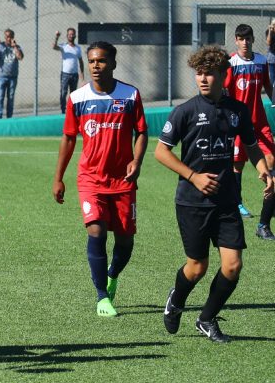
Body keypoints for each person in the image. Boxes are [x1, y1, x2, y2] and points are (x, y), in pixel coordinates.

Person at [156, 45, 273, 343]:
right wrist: (193, 176)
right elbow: (161, 152)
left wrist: (262, 167)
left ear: (224, 75)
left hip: (225, 201)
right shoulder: (185, 111)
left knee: (232, 266)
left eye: (210, 73)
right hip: (192, 201)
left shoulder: (237, 111)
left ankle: (206, 319)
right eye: (199, 73)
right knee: (197, 267)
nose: (203, 79)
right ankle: (177, 300)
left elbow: (250, 143)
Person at [52, 41, 148, 317]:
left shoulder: (130, 95)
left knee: (125, 242)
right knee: (96, 231)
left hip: (123, 181)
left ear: (113, 64)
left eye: (102, 61)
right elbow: (69, 138)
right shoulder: (77, 98)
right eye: (92, 61)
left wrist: (136, 161)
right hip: (90, 179)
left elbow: (142, 132)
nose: (96, 66)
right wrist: (58, 178)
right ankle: (102, 297)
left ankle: (112, 274)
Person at [224, 24, 275, 239]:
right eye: (240, 38)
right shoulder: (231, 62)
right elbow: (226, 90)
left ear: (253, 39)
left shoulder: (261, 61)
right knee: (238, 165)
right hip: (238, 123)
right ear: (236, 41)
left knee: (271, 159)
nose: (245, 42)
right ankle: (238, 203)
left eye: (248, 38)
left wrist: (274, 102)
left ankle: (268, 204)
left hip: (259, 123)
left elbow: (268, 86)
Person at [0, 29, 23, 119]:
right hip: (2, 76)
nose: (8, 38)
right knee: (0, 97)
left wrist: (15, 46)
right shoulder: (0, 46)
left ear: (13, 37)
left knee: (11, 98)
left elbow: (20, 57)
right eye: (7, 36)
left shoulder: (17, 47)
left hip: (13, 77)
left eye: (10, 36)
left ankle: (9, 117)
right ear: (5, 37)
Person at [53, 28, 84, 114]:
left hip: (74, 75)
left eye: (72, 34)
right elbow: (54, 47)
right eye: (69, 34)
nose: (71, 35)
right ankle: (63, 111)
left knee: (73, 94)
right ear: (67, 36)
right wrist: (56, 37)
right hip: (65, 75)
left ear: (75, 36)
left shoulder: (78, 48)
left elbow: (81, 62)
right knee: (63, 93)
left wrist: (82, 76)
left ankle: (72, 111)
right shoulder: (63, 46)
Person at [266, 20, 275, 106]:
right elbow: (268, 42)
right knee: (272, 80)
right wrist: (270, 31)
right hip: (272, 59)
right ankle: (273, 100)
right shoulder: (270, 33)